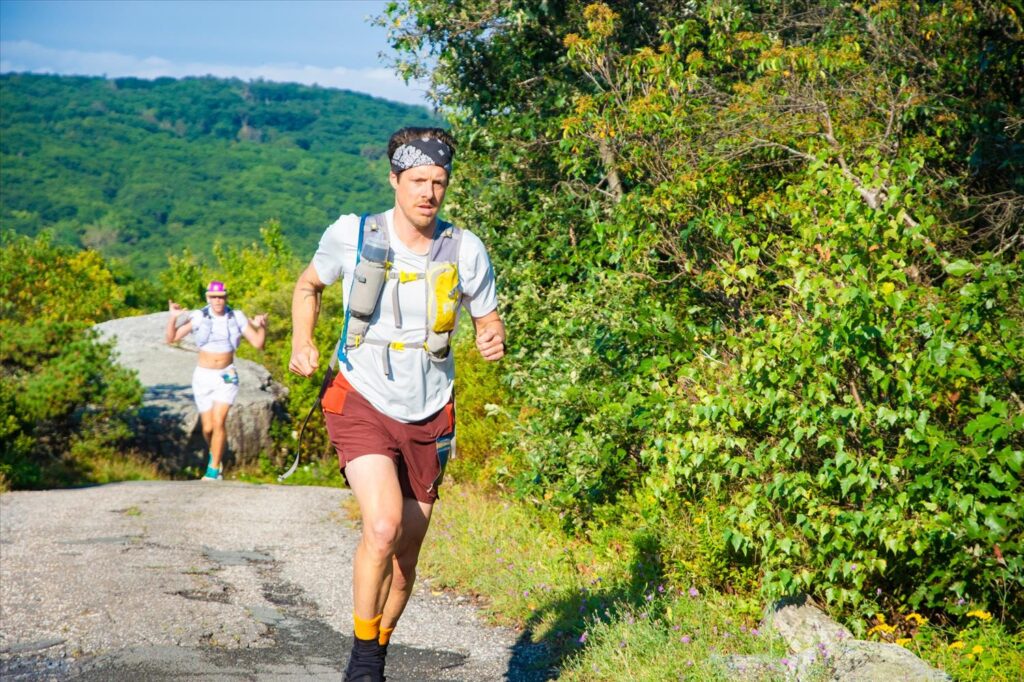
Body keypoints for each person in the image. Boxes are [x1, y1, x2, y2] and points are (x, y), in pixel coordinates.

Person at [289, 127, 505, 681]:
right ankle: (362, 666)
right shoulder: (353, 234)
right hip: (360, 395)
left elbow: (487, 315)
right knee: (382, 527)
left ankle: (378, 648)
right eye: (417, 181)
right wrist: (302, 341)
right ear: (394, 180)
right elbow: (307, 286)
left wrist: (491, 337)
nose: (428, 193)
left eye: (438, 182)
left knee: (405, 561)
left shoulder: (466, 248)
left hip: (430, 408)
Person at [166, 280, 268, 480]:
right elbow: (172, 338)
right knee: (208, 427)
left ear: (226, 297)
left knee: (219, 421)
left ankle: (212, 470)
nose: (218, 301)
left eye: (221, 296)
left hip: (226, 375)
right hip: (203, 376)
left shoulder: (236, 317)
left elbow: (258, 343)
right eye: (214, 297)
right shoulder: (198, 317)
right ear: (208, 298)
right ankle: (216, 454)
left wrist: (262, 327)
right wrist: (173, 319)